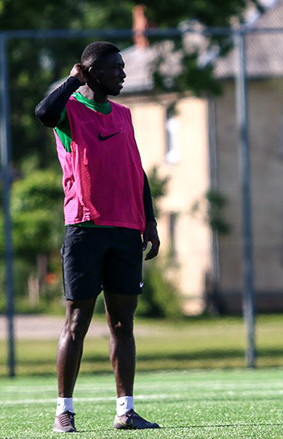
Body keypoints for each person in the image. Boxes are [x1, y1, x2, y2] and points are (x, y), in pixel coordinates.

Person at [35, 41, 161, 432]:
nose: (123, 74)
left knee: (123, 324)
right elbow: (43, 112)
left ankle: (125, 410)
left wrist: (151, 222)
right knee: (77, 322)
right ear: (91, 72)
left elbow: (136, 172)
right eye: (115, 68)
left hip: (126, 229)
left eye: (123, 67)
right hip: (86, 229)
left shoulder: (123, 115)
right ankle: (64, 411)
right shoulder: (70, 111)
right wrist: (73, 81)